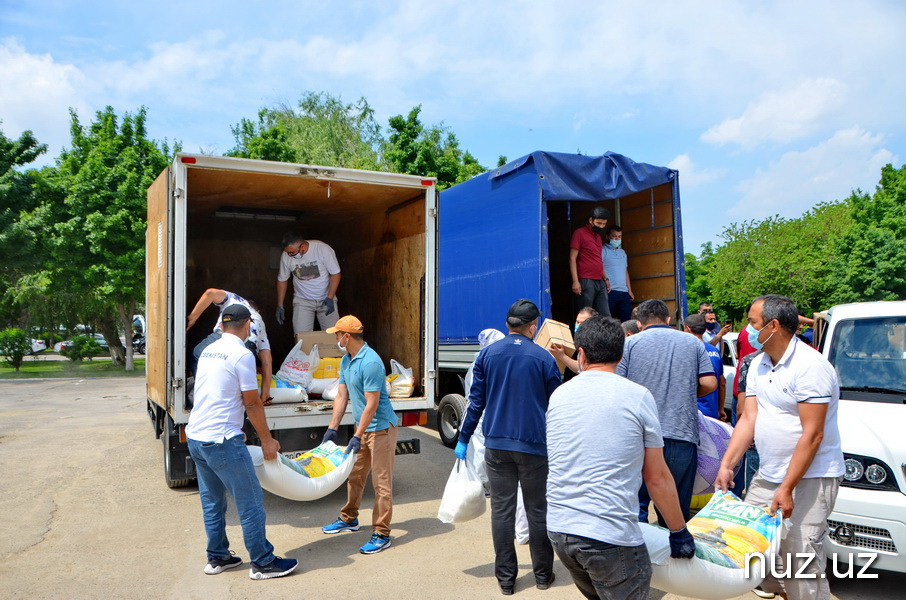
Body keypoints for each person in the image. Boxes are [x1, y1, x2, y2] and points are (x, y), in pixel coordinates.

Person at [547, 316, 695, 600]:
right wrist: (679, 531)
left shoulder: (560, 395)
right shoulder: (636, 396)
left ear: (582, 354)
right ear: (621, 354)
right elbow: (656, 476)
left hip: (560, 530)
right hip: (608, 536)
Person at [716, 295, 844, 600]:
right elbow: (749, 417)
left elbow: (813, 434)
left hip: (810, 478)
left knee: (800, 560)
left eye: (752, 322)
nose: (747, 330)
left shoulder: (810, 366)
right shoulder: (759, 364)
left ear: (773, 326)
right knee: (760, 552)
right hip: (770, 474)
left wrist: (787, 487)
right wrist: (727, 464)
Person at [455, 299, 562, 595]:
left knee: (501, 511)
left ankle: (506, 580)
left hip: (497, 446)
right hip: (534, 447)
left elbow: (476, 403)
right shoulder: (543, 359)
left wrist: (463, 439)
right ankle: (543, 576)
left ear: (507, 324)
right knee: (537, 511)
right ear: (533, 326)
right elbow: (558, 404)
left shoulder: (487, 356)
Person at [186, 304, 298, 580]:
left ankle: (218, 557)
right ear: (248, 325)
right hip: (222, 440)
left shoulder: (209, 350)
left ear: (221, 326)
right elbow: (252, 402)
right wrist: (267, 440)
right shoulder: (241, 354)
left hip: (197, 436)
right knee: (250, 502)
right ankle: (263, 562)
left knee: (212, 502)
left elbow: (216, 392)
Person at [617, 300, 717, 524]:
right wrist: (684, 391)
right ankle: (674, 554)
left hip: (639, 438)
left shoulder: (630, 344)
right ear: (668, 320)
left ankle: (641, 557)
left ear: (640, 323)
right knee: (675, 510)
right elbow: (710, 384)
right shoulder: (692, 343)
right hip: (681, 435)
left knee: (637, 507)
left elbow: (617, 384)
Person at [320, 315, 398, 555]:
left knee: (381, 483)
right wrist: (332, 428)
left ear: (347, 336)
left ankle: (382, 533)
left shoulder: (371, 362)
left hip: (381, 428)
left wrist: (358, 434)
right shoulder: (347, 360)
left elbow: (372, 404)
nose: (335, 338)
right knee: (355, 475)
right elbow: (341, 396)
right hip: (363, 427)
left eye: (337, 334)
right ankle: (349, 518)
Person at [186, 289, 273, 404]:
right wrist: (265, 394)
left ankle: (205, 395)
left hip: (222, 336)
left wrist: (191, 319)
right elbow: (267, 361)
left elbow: (210, 293)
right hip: (247, 345)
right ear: (258, 311)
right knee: (239, 376)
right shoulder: (260, 323)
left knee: (197, 354)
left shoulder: (235, 299)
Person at [275, 233, 341, 332]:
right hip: (303, 301)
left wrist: (330, 297)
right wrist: (280, 305)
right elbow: (282, 280)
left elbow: (335, 274)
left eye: (292, 252)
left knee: (334, 336)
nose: (289, 255)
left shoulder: (322, 249)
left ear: (302, 246)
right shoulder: (286, 256)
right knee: (301, 337)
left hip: (326, 299)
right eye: (287, 252)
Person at [569, 207, 611, 317]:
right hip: (586, 280)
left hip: (599, 281)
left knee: (605, 315)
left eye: (604, 224)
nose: (601, 226)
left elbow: (598, 259)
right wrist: (575, 281)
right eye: (599, 223)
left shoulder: (598, 237)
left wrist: (605, 278)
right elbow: (572, 258)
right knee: (585, 315)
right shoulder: (579, 233)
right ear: (591, 220)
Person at [684, 313, 726, 420]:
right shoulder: (714, 351)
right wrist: (720, 409)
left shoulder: (687, 351)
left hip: (694, 413)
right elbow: (722, 383)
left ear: (687, 329)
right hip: (712, 412)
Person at [548, 307, 597, 374]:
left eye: (582, 323)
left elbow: (581, 368)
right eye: (577, 322)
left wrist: (562, 356)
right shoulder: (577, 338)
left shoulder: (594, 342)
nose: (578, 325)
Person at [601, 226, 634, 322]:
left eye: (619, 236)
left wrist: (630, 290)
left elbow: (625, 271)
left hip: (624, 292)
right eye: (614, 236)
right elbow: (599, 266)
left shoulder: (622, 252)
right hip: (610, 291)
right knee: (607, 320)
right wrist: (606, 279)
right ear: (607, 237)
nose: (617, 239)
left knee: (628, 321)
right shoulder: (603, 250)